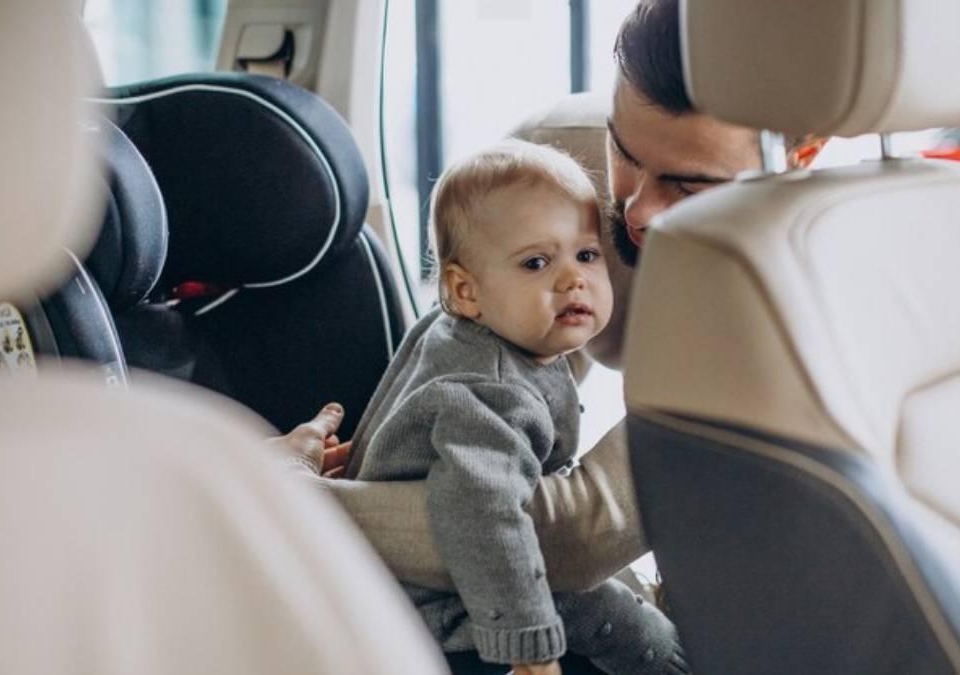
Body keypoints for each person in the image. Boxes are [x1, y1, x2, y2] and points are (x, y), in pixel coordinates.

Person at [279, 0, 826, 654]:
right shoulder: (555, 165)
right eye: (623, 150)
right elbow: (474, 393)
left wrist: (290, 504)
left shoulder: (795, 298)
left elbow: (574, 533)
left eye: (687, 185)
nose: (636, 209)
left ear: (800, 155)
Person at [348, 140, 687, 675]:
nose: (573, 278)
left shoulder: (458, 330)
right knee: (613, 612)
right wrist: (530, 651)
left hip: (449, 585)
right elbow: (485, 515)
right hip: (447, 611)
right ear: (466, 291)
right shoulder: (489, 392)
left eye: (587, 254)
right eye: (536, 262)